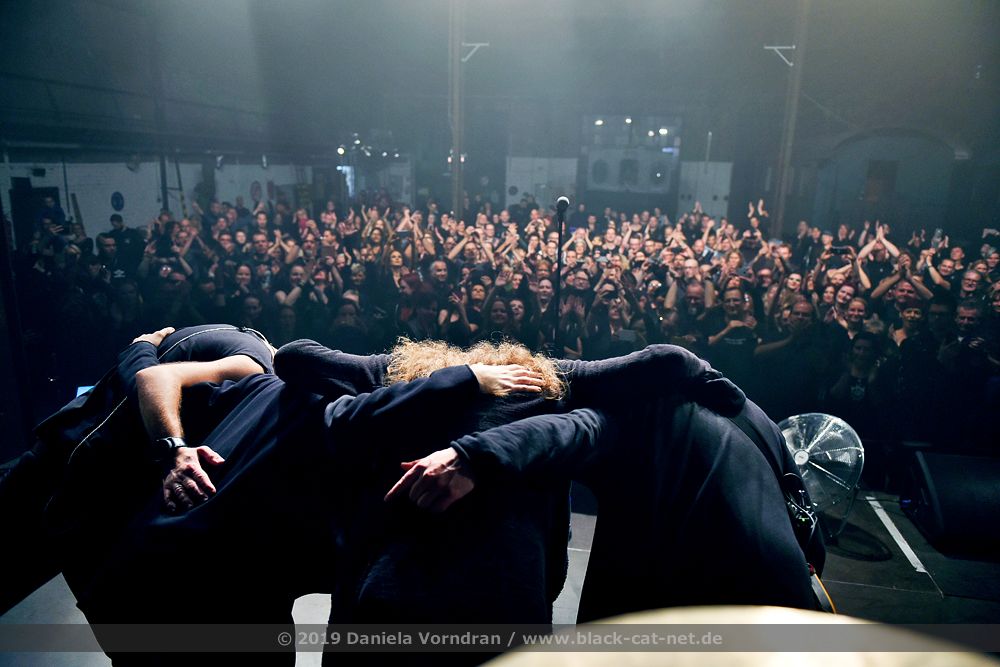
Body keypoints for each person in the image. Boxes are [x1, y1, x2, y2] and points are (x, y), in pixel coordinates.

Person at [0, 324, 276, 615]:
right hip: (72, 466)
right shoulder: (255, 364)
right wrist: (175, 449)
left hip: (86, 468)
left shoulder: (231, 340)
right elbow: (151, 379)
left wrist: (140, 348)